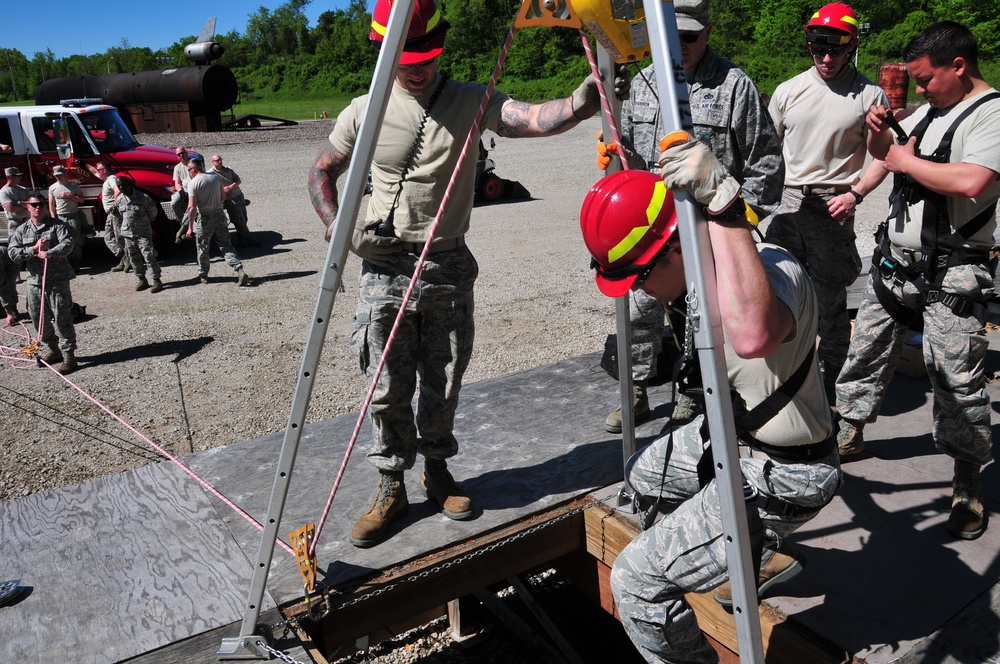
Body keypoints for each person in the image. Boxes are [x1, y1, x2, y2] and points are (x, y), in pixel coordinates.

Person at [308, 0, 610, 548]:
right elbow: (322, 173)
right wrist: (339, 231)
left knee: (441, 379)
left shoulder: (471, 98)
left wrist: (582, 101)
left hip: (447, 264)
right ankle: (389, 485)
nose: (418, 67)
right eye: (407, 57)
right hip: (385, 268)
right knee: (387, 386)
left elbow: (536, 119)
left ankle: (438, 472)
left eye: (427, 55)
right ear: (386, 52)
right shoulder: (363, 110)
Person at [581, 140, 841, 662]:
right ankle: (728, 553)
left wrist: (723, 200)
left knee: (635, 582)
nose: (640, 292)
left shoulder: (771, 274)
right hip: (735, 439)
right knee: (642, 474)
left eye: (641, 277)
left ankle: (713, 570)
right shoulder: (694, 266)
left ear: (677, 247)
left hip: (786, 471)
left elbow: (753, 337)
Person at [837, 22, 999, 541]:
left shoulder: (992, 114)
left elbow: (973, 180)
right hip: (897, 264)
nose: (921, 88)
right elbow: (886, 158)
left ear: (958, 66)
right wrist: (881, 133)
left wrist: (905, 157)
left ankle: (967, 479)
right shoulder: (929, 112)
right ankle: (849, 429)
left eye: (927, 78)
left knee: (956, 379)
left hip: (954, 270)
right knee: (864, 350)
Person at [598, 0, 784, 434]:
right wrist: (615, 158)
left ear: (708, 32)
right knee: (638, 310)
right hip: (650, 234)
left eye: (689, 36)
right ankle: (636, 391)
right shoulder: (643, 82)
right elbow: (629, 148)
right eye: (671, 36)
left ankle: (690, 400)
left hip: (707, 234)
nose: (680, 46)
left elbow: (767, 167)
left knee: (699, 321)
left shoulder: (735, 86)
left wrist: (740, 223)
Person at [765, 2, 889, 404]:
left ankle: (832, 392)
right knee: (778, 294)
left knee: (830, 306)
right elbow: (766, 153)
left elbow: (885, 156)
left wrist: (855, 195)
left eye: (836, 49)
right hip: (788, 204)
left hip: (834, 207)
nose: (827, 58)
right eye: (818, 49)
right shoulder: (789, 91)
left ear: (852, 45)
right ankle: (783, 382)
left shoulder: (870, 94)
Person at [7, 194, 78, 374]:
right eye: (34, 205)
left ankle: (69, 356)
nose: (38, 208)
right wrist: (34, 249)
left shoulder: (58, 226)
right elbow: (13, 253)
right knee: (38, 319)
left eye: (41, 205)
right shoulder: (22, 230)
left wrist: (51, 252)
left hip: (57, 280)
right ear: (28, 207)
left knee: (62, 317)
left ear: (46, 207)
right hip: (35, 282)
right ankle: (54, 350)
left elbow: (69, 244)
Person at [186, 158, 252, 287]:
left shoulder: (193, 184)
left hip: (205, 218)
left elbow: (192, 207)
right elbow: (223, 197)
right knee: (226, 245)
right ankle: (239, 269)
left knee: (203, 247)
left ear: (194, 169)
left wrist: (190, 227)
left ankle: (203, 275)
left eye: (189, 169)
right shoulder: (215, 178)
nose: (189, 171)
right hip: (220, 215)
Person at [114, 174, 163, 293]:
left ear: (130, 185)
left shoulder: (143, 198)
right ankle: (142, 279)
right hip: (128, 234)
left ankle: (156, 280)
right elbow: (121, 215)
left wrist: (144, 223)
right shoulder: (120, 199)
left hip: (143, 233)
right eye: (119, 186)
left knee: (149, 256)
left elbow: (153, 213)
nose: (121, 188)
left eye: (123, 185)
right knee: (133, 258)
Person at [209, 154, 260, 247]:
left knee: (244, 218)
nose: (219, 162)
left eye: (220, 160)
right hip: (227, 200)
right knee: (237, 220)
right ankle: (249, 239)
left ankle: (241, 240)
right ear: (212, 162)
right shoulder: (210, 174)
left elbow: (238, 180)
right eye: (217, 160)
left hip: (238, 196)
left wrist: (230, 186)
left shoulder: (228, 170)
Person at [87, 162, 130, 273]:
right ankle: (124, 258)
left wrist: (115, 204)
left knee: (118, 237)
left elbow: (118, 190)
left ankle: (127, 259)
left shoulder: (111, 179)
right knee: (108, 237)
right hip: (111, 213)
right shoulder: (107, 179)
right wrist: (84, 164)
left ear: (104, 170)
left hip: (115, 212)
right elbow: (94, 171)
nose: (97, 172)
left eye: (99, 170)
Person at [47, 165, 87, 270]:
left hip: (73, 216)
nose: (58, 177)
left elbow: (82, 200)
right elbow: (51, 204)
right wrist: (53, 217)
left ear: (65, 174)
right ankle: (67, 261)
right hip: (60, 217)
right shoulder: (52, 188)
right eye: (56, 176)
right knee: (62, 240)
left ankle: (76, 261)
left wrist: (71, 196)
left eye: (60, 175)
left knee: (76, 239)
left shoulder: (73, 186)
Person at [171, 146, 193, 242]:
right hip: (184, 189)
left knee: (191, 207)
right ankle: (183, 223)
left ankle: (184, 228)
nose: (181, 155)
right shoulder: (177, 167)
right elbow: (177, 183)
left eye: (182, 153)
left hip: (195, 189)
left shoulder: (194, 163)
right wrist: (181, 191)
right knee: (174, 202)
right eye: (178, 154)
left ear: (186, 153)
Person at [1, 166, 31, 236]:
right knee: (16, 245)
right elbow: (11, 208)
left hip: (28, 222)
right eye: (18, 176)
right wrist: (25, 205)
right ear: (11, 177)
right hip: (15, 223)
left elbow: (31, 203)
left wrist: (19, 203)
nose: (20, 178)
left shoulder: (23, 189)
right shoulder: (4, 191)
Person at [0, 246, 19, 326]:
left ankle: (13, 310)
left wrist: (9, 313)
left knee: (9, 286)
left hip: (11, 262)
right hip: (3, 258)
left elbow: (3, 288)